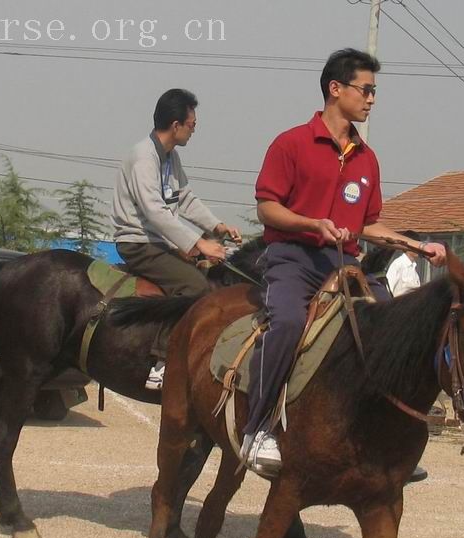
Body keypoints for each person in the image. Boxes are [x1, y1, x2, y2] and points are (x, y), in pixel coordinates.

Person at [242, 48, 447, 474]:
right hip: (291, 258)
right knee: (288, 325)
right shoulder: (291, 143)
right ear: (335, 89)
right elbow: (267, 208)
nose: (372, 99)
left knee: (392, 330)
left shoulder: (367, 158)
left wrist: (414, 245)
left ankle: (390, 442)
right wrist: (312, 224)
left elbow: (368, 224)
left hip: (344, 265)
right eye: (366, 90)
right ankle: (256, 429)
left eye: (375, 92)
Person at [112, 88, 241, 389]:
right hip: (139, 242)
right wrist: (199, 245)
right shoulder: (144, 157)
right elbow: (155, 212)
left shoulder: (170, 157)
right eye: (192, 124)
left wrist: (217, 226)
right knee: (194, 286)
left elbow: (184, 199)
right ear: (175, 125)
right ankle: (161, 362)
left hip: (160, 242)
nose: (194, 130)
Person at [385, 230, 424, 297]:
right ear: (406, 247)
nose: (418, 249)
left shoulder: (414, 269)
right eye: (415, 246)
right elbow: (388, 289)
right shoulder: (398, 264)